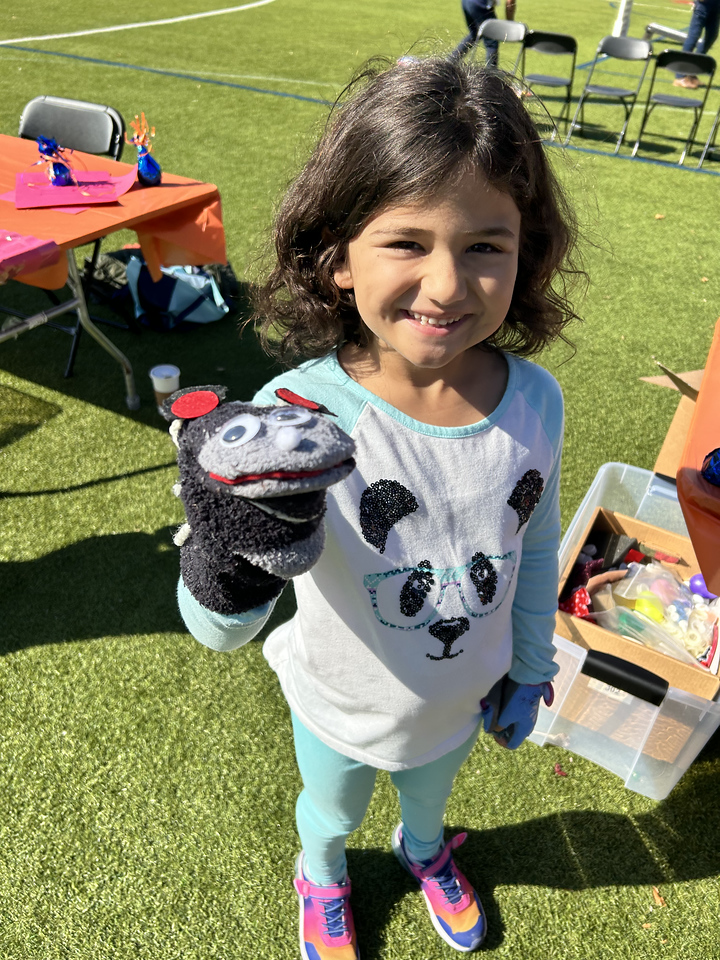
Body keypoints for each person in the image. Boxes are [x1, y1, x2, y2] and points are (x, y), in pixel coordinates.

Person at [175, 57, 582, 959]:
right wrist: (229, 552)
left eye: (486, 244)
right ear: (336, 258)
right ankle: (321, 874)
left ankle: (425, 851)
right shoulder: (294, 423)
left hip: (463, 694)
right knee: (331, 808)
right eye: (407, 241)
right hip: (341, 704)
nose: (446, 285)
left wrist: (526, 662)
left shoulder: (536, 400)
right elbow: (218, 632)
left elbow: (536, 541)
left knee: (429, 801)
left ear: (529, 249)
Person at [451, 0, 517, 65]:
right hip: (479, 4)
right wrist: (510, 22)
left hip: (466, 2)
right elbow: (510, 2)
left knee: (474, 33)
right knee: (492, 40)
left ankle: (449, 61)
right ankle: (490, 73)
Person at [674, 0, 720, 88]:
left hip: (716, 4)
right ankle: (680, 77)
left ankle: (692, 73)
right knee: (693, 38)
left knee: (711, 37)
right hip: (703, 5)